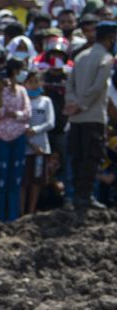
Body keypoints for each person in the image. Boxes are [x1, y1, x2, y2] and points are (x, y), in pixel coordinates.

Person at [64, 19, 115, 211]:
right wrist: (82, 105)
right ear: (110, 38)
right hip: (93, 116)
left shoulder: (81, 56)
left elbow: (70, 85)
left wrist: (73, 104)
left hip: (75, 117)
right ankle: (84, 197)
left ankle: (77, 196)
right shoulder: (106, 58)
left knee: (77, 157)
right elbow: (98, 87)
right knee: (91, 158)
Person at [0, 57, 30, 222]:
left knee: (15, 179)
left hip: (18, 137)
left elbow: (27, 113)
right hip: (1, 137)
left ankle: (12, 217)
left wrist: (13, 114)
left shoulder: (22, 90)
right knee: (1, 178)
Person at [23, 69, 55, 216]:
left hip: (41, 146)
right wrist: (29, 139)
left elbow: (50, 122)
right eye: (31, 82)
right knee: (24, 181)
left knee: (37, 181)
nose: (34, 85)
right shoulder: (23, 101)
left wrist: (35, 130)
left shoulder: (46, 101)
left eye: (37, 81)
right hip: (25, 146)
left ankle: (31, 210)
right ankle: (21, 211)